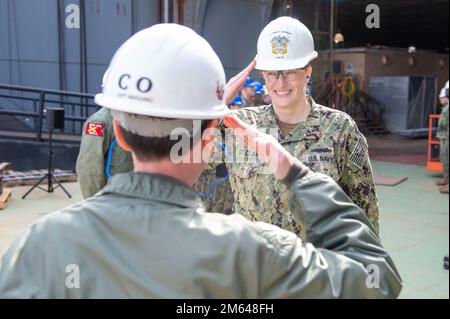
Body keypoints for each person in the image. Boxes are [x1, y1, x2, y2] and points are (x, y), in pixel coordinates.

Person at [0, 24, 402, 298]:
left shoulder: (38, 247)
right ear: (212, 134)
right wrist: (296, 175)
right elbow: (377, 278)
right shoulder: (255, 252)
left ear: (118, 133)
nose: (280, 81)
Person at [219, 16, 380, 236]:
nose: (281, 82)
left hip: (316, 266)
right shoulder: (238, 125)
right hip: (255, 266)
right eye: (272, 73)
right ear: (263, 75)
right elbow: (177, 159)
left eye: (291, 71)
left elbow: (365, 210)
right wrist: (214, 106)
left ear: (307, 72)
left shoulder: (340, 129)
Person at [75, 70, 133, 199]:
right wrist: (95, 204)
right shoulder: (99, 123)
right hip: (115, 199)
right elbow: (89, 168)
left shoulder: (135, 119)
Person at [436, 81, 449, 194]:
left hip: (447, 135)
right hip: (445, 136)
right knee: (445, 158)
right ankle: (447, 178)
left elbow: (445, 123)